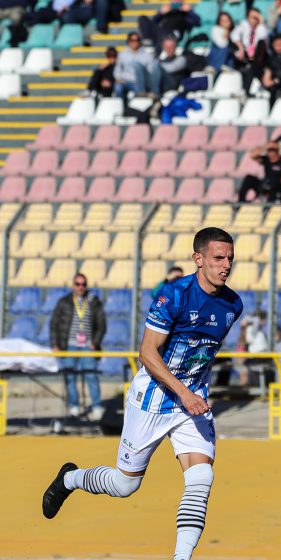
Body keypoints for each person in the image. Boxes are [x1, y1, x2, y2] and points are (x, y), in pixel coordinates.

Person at [42, 228, 243, 560]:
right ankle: (70, 478)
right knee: (125, 485)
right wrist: (183, 392)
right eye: (218, 258)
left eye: (230, 258)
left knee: (201, 476)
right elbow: (147, 353)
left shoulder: (233, 304)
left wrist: (191, 393)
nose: (226, 265)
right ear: (198, 259)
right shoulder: (174, 295)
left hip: (192, 401)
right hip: (153, 398)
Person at [50, 273, 107, 421]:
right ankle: (73, 406)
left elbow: (102, 325)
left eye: (83, 284)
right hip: (69, 346)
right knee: (70, 376)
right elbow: (54, 324)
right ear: (73, 285)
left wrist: (95, 342)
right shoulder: (64, 302)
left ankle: (96, 407)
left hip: (88, 346)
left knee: (91, 376)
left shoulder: (94, 301)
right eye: (77, 284)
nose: (80, 287)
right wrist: (55, 344)